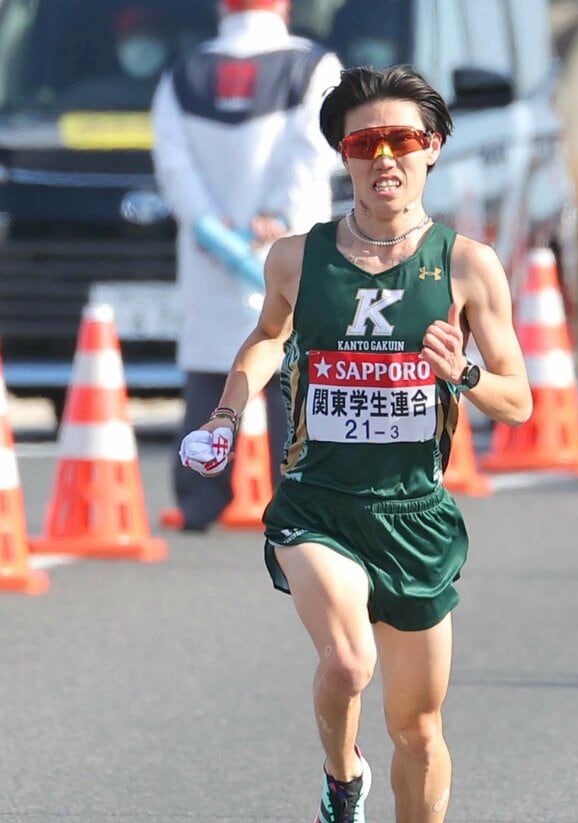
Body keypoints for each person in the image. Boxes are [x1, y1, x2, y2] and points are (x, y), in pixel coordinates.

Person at [179, 64, 532, 823]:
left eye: (402, 142)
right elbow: (267, 335)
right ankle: (341, 791)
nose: (384, 158)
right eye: (363, 143)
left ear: (432, 152)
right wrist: (225, 412)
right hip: (318, 504)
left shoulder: (465, 265)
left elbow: (520, 398)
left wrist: (458, 378)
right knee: (347, 662)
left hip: (413, 515)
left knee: (419, 732)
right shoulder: (297, 256)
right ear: (341, 156)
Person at [151, 0, 342, 531]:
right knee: (292, 375)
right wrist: (277, 214)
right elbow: (315, 150)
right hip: (288, 244)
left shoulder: (184, 72)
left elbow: (172, 161)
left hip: (211, 251)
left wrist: (210, 226)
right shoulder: (315, 66)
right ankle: (300, 503)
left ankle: (198, 500)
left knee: (211, 380)